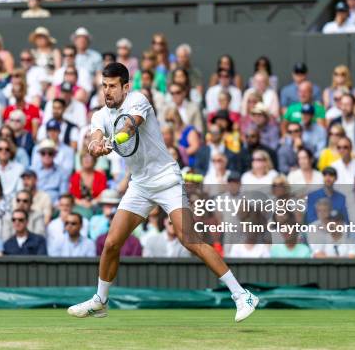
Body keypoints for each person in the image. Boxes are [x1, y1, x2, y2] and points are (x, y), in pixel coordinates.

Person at [68, 62, 258, 322]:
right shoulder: (100, 114)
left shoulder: (138, 99)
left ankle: (242, 295)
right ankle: (100, 301)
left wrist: (114, 141)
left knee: (189, 239)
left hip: (167, 179)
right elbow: (95, 137)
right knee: (112, 242)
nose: (107, 91)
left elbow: (130, 126)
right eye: (104, 86)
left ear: (125, 86)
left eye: (113, 86)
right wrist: (95, 145)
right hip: (140, 185)